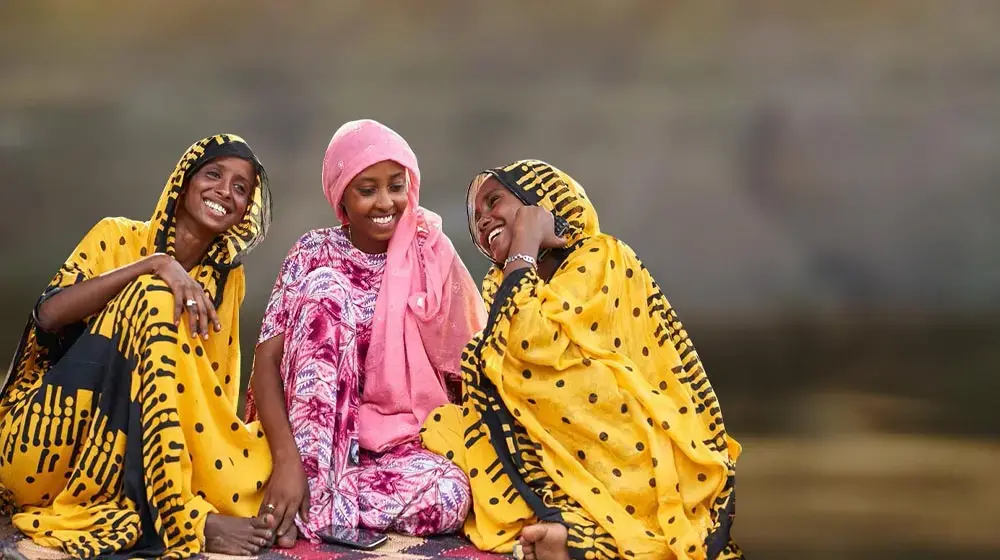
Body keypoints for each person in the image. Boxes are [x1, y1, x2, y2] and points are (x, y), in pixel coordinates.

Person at [420, 160, 744, 560]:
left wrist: (524, 246)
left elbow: (534, 349)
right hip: (555, 443)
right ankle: (568, 527)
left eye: (494, 201)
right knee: (446, 425)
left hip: (624, 443)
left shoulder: (602, 254)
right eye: (476, 217)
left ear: (541, 204)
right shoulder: (503, 286)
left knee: (524, 372)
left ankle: (579, 533)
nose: (483, 219)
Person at [0, 134, 279, 558]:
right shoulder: (116, 236)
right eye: (214, 175)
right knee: (153, 296)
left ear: (246, 209)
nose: (226, 191)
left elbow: (209, 393)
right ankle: (182, 518)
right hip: (40, 448)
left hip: (118, 466)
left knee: (269, 455)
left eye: (241, 188)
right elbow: (49, 315)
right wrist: (155, 265)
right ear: (184, 182)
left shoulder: (226, 280)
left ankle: (168, 501)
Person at [245, 119, 485, 546]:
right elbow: (265, 363)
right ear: (341, 195)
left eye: (396, 186)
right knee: (327, 290)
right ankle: (305, 483)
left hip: (393, 442)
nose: (385, 202)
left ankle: (313, 506)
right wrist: (287, 461)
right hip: (307, 441)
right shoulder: (313, 251)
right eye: (367, 189)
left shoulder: (431, 254)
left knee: (451, 494)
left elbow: (467, 363)